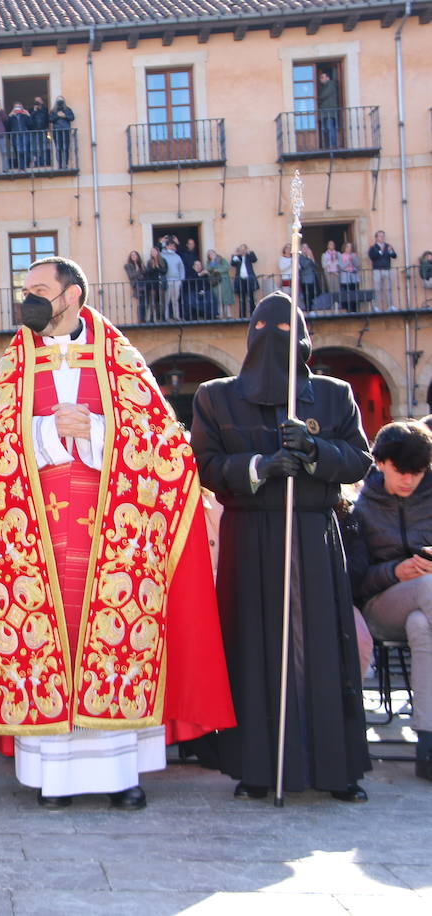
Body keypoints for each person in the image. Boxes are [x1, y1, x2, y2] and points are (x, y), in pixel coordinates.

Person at [0, 256, 233, 809]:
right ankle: (55, 779)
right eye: (24, 289)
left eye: (39, 290)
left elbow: (167, 449)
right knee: (46, 644)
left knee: (118, 646)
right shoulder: (12, 364)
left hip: (116, 537)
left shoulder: (121, 358)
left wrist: (100, 430)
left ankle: (123, 777)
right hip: (35, 538)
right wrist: (47, 432)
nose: (27, 298)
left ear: (73, 295)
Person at [191, 292, 373, 802]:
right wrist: (258, 466)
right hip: (250, 533)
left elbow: (360, 459)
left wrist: (318, 453)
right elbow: (203, 464)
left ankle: (336, 769)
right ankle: (256, 766)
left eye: (287, 330)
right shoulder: (215, 395)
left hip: (314, 532)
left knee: (322, 644)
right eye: (265, 328)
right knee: (255, 646)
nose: (275, 341)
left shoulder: (335, 396)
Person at [349, 420, 432, 782]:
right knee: (429, 590)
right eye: (401, 472)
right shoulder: (359, 507)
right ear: (380, 462)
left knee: (421, 625)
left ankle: (427, 743)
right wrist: (396, 572)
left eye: (417, 473)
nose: (409, 481)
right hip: (381, 606)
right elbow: (356, 583)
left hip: (420, 609)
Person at [369, 230, 397, 311]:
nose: (382, 237)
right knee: (377, 289)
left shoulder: (388, 246)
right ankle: (376, 307)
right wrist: (380, 251)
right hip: (377, 270)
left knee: (388, 289)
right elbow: (372, 257)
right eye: (380, 236)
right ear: (376, 238)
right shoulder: (373, 247)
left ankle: (390, 306)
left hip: (387, 269)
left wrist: (391, 251)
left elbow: (394, 256)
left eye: (383, 236)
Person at [231, 244, 259, 315]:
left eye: (244, 249)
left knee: (251, 298)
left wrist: (249, 252)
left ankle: (253, 314)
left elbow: (254, 259)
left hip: (249, 279)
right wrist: (235, 255)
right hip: (240, 280)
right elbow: (233, 264)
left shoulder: (249, 255)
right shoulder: (237, 257)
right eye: (241, 249)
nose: (242, 251)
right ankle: (242, 315)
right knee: (241, 299)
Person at [161, 240, 185, 321]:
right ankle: (166, 317)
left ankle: (176, 316)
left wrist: (181, 279)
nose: (173, 247)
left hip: (177, 280)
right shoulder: (162, 255)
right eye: (171, 245)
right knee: (167, 299)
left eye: (173, 246)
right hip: (167, 280)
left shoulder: (177, 256)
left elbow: (181, 268)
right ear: (167, 246)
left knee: (175, 299)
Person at [317, 70, 341, 150]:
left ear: (328, 78)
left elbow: (323, 95)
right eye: (320, 78)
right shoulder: (324, 86)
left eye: (322, 77)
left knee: (330, 128)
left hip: (330, 111)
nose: (321, 79)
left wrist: (318, 98)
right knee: (326, 129)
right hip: (325, 111)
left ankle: (332, 146)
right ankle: (327, 146)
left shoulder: (330, 84)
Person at [207, 248, 235, 318]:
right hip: (215, 282)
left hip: (224, 281)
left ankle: (228, 314)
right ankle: (220, 314)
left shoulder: (222, 260)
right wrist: (212, 262)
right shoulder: (209, 262)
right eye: (210, 254)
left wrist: (218, 270)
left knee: (226, 297)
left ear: (215, 254)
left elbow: (227, 267)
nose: (212, 255)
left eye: (212, 253)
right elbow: (208, 269)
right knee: (217, 297)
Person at [51, 96, 75, 170]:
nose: (60, 102)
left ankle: (66, 165)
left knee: (66, 148)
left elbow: (72, 117)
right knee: (58, 148)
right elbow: (50, 119)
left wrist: (65, 116)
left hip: (66, 131)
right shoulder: (53, 111)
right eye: (59, 100)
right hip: (56, 131)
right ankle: (60, 165)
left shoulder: (67, 109)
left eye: (61, 100)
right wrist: (57, 116)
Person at [6, 102, 32, 170]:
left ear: (22, 108)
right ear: (13, 108)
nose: (18, 108)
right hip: (15, 135)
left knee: (25, 150)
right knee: (19, 151)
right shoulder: (11, 117)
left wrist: (28, 115)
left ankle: (26, 165)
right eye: (16, 107)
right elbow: (7, 126)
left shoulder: (25, 116)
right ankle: (21, 167)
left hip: (25, 134)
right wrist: (9, 116)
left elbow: (31, 125)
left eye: (19, 107)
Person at [339, 241, 362, 311]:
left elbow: (357, 265)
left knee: (354, 294)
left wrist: (354, 259)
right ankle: (348, 310)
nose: (349, 248)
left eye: (350, 247)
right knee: (347, 295)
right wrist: (348, 261)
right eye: (348, 247)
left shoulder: (354, 255)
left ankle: (355, 309)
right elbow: (341, 266)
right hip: (345, 278)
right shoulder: (341, 255)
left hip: (353, 277)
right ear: (345, 247)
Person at [124, 251, 146, 323]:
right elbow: (131, 276)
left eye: (135, 255)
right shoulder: (128, 266)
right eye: (132, 255)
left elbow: (144, 274)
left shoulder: (141, 265)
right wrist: (138, 272)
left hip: (143, 284)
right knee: (140, 302)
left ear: (137, 256)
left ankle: (144, 318)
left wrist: (138, 273)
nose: (133, 256)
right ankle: (141, 319)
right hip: (136, 285)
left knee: (144, 302)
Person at [29, 97, 50, 167]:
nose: (37, 102)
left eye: (39, 100)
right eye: (36, 101)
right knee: (34, 148)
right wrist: (34, 111)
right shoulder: (31, 110)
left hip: (43, 131)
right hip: (34, 131)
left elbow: (48, 119)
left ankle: (43, 162)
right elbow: (29, 120)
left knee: (43, 147)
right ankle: (34, 162)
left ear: (42, 102)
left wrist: (47, 129)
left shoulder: (45, 110)